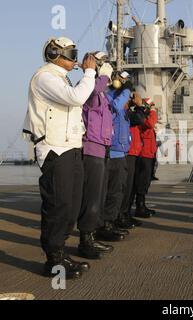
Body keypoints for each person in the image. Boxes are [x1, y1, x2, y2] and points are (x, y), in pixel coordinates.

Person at [23, 37, 96, 279]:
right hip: (55, 149)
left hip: (71, 147)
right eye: (71, 53)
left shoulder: (60, 78)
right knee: (58, 205)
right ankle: (53, 261)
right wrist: (89, 72)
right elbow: (76, 98)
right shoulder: (45, 77)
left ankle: (61, 251)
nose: (75, 58)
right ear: (55, 53)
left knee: (72, 206)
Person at [76, 52, 115, 260]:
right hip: (90, 148)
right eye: (103, 64)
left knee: (98, 196)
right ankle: (84, 241)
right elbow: (93, 89)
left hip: (102, 148)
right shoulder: (89, 87)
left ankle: (91, 235)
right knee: (91, 197)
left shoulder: (101, 93)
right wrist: (102, 76)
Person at [96, 71, 133, 241]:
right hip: (113, 151)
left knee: (118, 191)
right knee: (111, 191)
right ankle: (105, 226)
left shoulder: (120, 98)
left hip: (121, 150)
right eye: (122, 80)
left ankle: (112, 221)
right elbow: (116, 107)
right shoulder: (108, 96)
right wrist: (125, 91)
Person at [118, 91, 146, 228]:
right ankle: (121, 216)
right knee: (125, 188)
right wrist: (139, 105)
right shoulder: (122, 112)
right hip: (127, 152)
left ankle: (126, 214)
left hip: (133, 152)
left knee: (130, 188)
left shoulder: (128, 112)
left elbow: (141, 119)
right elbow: (140, 119)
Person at [132, 98, 158, 218]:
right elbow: (150, 124)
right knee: (142, 181)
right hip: (144, 154)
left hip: (149, 153)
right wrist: (152, 111)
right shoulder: (142, 117)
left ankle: (142, 205)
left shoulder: (145, 116)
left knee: (145, 181)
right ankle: (139, 206)